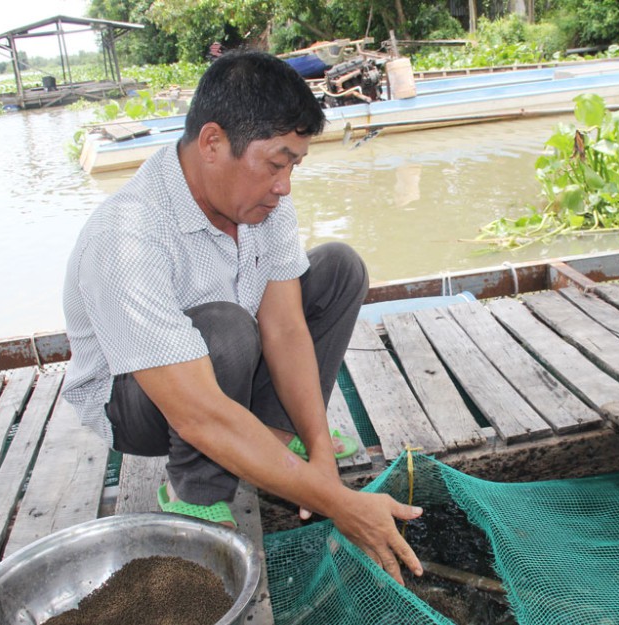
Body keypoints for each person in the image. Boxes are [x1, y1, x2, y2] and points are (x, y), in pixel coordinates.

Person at [62, 50, 423, 584]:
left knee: (338, 269)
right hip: (140, 402)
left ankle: (278, 437)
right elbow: (197, 414)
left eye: (293, 165)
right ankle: (194, 489)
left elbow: (284, 326)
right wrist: (340, 504)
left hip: (227, 366)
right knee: (225, 330)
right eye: (276, 164)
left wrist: (320, 460)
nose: (285, 185)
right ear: (212, 143)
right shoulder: (126, 236)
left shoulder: (262, 200)